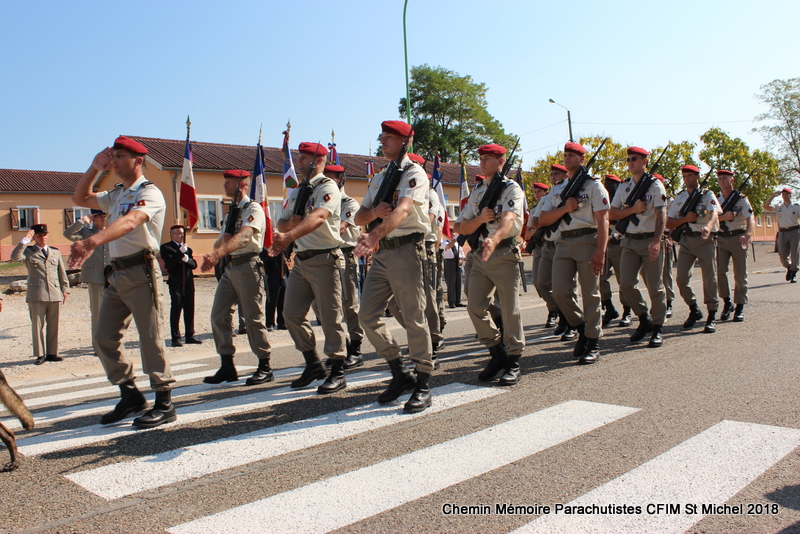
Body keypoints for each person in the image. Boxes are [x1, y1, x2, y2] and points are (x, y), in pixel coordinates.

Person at [69, 136, 175, 428]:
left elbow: (130, 222)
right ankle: (130, 395)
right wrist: (94, 168)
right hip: (117, 274)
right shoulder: (116, 193)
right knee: (103, 337)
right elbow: (80, 199)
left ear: (138, 161)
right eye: (112, 156)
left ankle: (164, 402)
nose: (114, 161)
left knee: (150, 338)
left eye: (120, 156)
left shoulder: (149, 193)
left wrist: (92, 241)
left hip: (142, 271)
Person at [354, 120, 433, 413]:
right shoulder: (380, 177)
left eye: (389, 137)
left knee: (414, 317)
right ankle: (400, 371)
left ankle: (423, 382)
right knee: (367, 315)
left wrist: (373, 235)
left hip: (406, 250)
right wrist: (373, 213)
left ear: (405, 142)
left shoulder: (415, 173)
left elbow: (402, 209)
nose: (383, 141)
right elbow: (359, 217)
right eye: (382, 137)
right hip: (384, 254)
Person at [270, 143, 347, 394]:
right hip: (302, 261)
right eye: (299, 157)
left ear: (319, 161)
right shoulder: (297, 191)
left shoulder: (327, 187)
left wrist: (290, 232)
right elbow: (281, 221)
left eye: (303, 158)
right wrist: (288, 226)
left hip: (325, 259)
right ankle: (313, 363)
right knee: (290, 314)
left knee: (329, 317)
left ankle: (338, 369)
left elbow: (319, 217)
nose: (299, 162)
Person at [455, 143, 525, 385]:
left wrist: (494, 239)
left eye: (488, 158)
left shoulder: (510, 189)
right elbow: (460, 227)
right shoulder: (478, 191)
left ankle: (514, 359)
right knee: (475, 306)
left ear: (501, 161)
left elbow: (509, 219)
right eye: (481, 158)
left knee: (509, 308)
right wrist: (480, 220)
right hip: (478, 255)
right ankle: (497, 352)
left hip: (503, 252)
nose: (482, 162)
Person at [538, 142, 609, 364]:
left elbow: (603, 220)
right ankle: (580, 327)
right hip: (563, 241)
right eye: (566, 155)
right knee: (559, 291)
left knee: (590, 293)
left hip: (588, 239)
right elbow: (543, 220)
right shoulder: (558, 189)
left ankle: (593, 340)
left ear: (581, 159)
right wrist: (565, 208)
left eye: (572, 155)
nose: (567, 158)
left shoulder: (593, 186)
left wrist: (601, 251)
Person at [201, 169, 272, 386]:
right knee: (218, 315)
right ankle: (227, 365)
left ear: (241, 185)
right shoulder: (231, 211)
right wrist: (214, 252)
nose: (224, 186)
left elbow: (244, 237)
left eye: (229, 183)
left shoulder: (253, 208)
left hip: (248, 265)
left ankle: (264, 365)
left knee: (253, 318)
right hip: (229, 268)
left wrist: (216, 254)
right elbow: (223, 238)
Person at [609, 147, 668, 348]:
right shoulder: (624, 187)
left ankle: (658, 326)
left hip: (649, 239)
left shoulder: (655, 186)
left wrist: (657, 240)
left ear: (645, 162)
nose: (630, 162)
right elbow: (611, 213)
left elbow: (661, 213)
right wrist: (632, 210)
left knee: (654, 285)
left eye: (635, 159)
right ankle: (644, 318)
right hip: (630, 241)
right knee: (625, 284)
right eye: (628, 159)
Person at [666, 164, 721, 333]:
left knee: (709, 278)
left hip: (705, 239)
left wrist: (709, 227)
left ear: (697, 177)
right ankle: (694, 309)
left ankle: (711, 314)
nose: (687, 179)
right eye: (685, 176)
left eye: (690, 176)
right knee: (681, 279)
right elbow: (669, 222)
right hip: (687, 241)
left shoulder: (707, 195)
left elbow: (714, 213)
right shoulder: (680, 197)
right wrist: (685, 219)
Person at [526, 164, 576, 339]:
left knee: (565, 287)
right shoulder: (547, 198)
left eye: (558, 174)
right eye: (552, 174)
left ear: (566, 174)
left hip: (563, 243)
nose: (554, 177)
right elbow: (537, 222)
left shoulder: (571, 190)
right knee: (541, 283)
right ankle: (560, 311)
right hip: (547, 245)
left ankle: (571, 321)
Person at [324, 163, 365, 369]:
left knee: (350, 303)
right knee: (327, 305)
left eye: (331, 178)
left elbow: (340, 228)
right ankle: (342, 346)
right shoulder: (323, 201)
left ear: (341, 180)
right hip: (328, 255)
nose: (327, 182)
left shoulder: (349, 203)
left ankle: (356, 349)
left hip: (347, 254)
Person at [11, 224, 69, 365]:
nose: (43, 238)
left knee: (54, 324)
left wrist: (65, 288)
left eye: (44, 235)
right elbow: (14, 257)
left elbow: (62, 272)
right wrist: (25, 240)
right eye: (39, 236)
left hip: (54, 293)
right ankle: (40, 354)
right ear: (34, 238)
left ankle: (52, 353)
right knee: (37, 325)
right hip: (37, 293)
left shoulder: (55, 252)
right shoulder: (28, 252)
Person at [63, 210, 110, 354]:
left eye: (104, 216)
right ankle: (97, 346)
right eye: (100, 217)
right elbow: (67, 234)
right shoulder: (86, 233)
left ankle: (109, 344)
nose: (103, 219)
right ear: (93, 218)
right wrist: (81, 222)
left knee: (111, 313)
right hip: (95, 276)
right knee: (97, 313)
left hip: (111, 276)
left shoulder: (111, 232)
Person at [715, 170, 755, 320]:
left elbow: (750, 218)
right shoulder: (716, 199)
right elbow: (709, 218)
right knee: (720, 272)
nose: (722, 180)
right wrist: (723, 217)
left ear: (732, 180)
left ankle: (740, 306)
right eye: (720, 178)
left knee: (740, 274)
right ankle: (727, 302)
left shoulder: (741, 199)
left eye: (725, 178)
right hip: (721, 238)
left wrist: (748, 234)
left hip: (738, 237)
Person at [600, 174, 632, 327]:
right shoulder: (601, 199)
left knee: (623, 280)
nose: (607, 187)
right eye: (606, 184)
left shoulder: (625, 199)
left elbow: (631, 221)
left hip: (620, 243)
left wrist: (618, 234)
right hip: (604, 243)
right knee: (601, 278)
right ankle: (609, 308)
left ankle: (627, 311)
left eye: (610, 184)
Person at [160, 225, 200, 347]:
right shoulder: (166, 247)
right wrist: (179, 254)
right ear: (172, 234)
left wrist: (187, 259)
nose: (181, 236)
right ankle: (175, 337)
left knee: (189, 308)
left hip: (188, 282)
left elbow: (193, 265)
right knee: (176, 308)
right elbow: (169, 264)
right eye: (178, 233)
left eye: (183, 233)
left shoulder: (188, 249)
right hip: (175, 282)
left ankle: (189, 335)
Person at [763, 188, 800, 283]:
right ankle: (789, 267)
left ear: (790, 195)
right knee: (782, 255)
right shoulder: (778, 207)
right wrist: (772, 196)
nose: (785, 195)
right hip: (783, 232)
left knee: (795, 254)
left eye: (787, 194)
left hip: (794, 231)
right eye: (783, 194)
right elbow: (765, 206)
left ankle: (794, 273)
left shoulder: (796, 207)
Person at [442, 235, 464, 307]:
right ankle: (452, 302)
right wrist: (454, 240)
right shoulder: (445, 242)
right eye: (451, 234)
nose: (453, 235)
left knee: (458, 282)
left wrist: (461, 260)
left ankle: (458, 301)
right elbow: (448, 247)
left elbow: (461, 253)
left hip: (458, 262)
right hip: (450, 262)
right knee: (451, 282)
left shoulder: (457, 244)